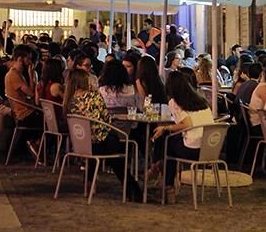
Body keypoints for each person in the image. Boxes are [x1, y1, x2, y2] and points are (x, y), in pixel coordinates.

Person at [63, 69, 142, 200]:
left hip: (80, 144)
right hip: (99, 143)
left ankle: (90, 182)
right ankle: (133, 190)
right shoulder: (94, 96)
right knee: (117, 153)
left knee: (113, 150)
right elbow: (106, 120)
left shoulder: (69, 101)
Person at [151, 71, 214, 204]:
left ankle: (163, 178)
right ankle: (161, 174)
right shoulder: (201, 101)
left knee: (166, 141)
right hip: (209, 150)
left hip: (192, 149)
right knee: (168, 141)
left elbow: (186, 124)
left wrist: (165, 128)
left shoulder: (174, 102)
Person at [4, 44, 43, 160]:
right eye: (28, 59)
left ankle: (35, 144)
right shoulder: (14, 75)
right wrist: (31, 76)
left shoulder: (18, 74)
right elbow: (31, 93)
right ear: (20, 59)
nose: (30, 62)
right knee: (50, 122)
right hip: (24, 113)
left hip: (25, 110)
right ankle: (35, 144)